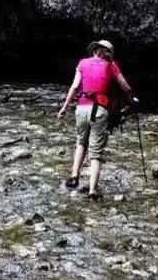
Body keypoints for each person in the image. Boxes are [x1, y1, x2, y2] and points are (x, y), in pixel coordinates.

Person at [57, 38, 135, 199]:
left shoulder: (82, 63)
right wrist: (131, 99)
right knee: (96, 153)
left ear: (95, 51)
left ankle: (74, 177)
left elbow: (74, 86)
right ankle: (92, 190)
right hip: (99, 110)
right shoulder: (111, 66)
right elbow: (125, 86)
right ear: (108, 53)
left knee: (81, 142)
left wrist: (64, 108)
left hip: (81, 108)